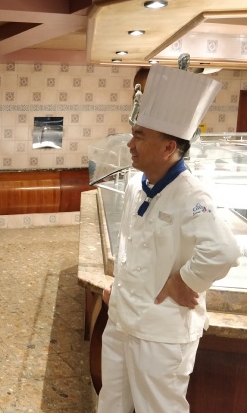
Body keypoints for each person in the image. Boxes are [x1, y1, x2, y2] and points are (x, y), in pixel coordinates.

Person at [98, 63, 241, 413]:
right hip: (122, 318)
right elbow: (132, 244)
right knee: (111, 402)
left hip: (160, 333)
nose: (130, 144)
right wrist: (121, 286)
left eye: (139, 136)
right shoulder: (137, 183)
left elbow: (224, 251)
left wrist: (185, 280)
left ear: (168, 147)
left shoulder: (191, 194)